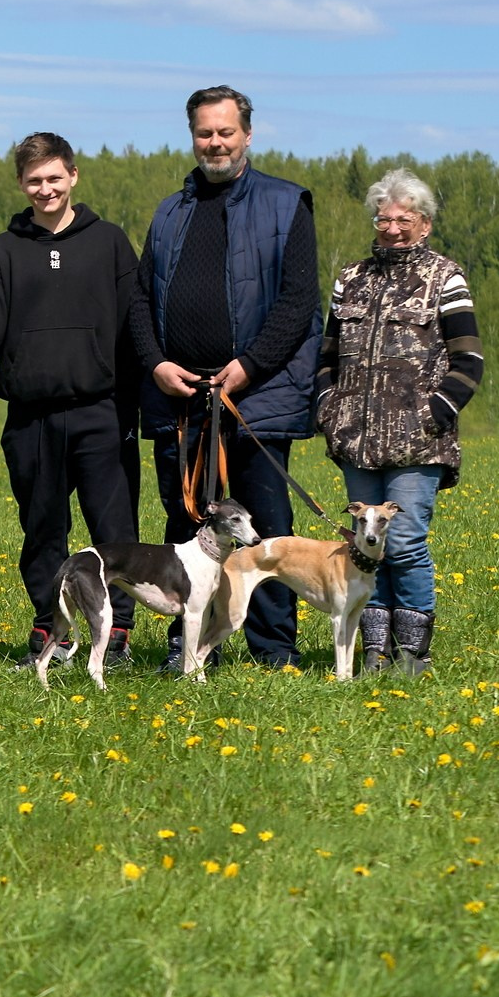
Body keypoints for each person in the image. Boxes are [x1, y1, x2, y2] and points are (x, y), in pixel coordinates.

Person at [132, 86, 321, 670]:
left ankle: (273, 650)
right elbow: (139, 300)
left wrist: (248, 367)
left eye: (225, 132)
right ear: (192, 136)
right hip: (183, 403)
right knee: (188, 526)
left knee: (264, 531)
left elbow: (297, 303)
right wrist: (158, 364)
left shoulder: (287, 204)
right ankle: (190, 649)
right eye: (204, 133)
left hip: (256, 399)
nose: (215, 143)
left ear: (247, 134)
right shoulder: (171, 211)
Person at [0, 133, 145, 669]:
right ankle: (51, 629)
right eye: (34, 180)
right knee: (42, 529)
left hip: (103, 411)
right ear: (21, 184)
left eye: (54, 177)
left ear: (73, 176)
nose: (45, 188)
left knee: (115, 532)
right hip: (31, 417)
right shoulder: (6, 251)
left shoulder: (109, 242)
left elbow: (136, 323)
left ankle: (116, 633)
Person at [315, 168, 480, 674]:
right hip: (356, 441)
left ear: (424, 224)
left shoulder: (444, 276)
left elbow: (468, 359)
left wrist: (435, 414)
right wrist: (327, 405)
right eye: (383, 218)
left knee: (403, 545)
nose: (391, 228)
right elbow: (327, 354)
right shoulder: (351, 277)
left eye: (402, 219)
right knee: (365, 551)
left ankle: (413, 656)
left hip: (419, 445)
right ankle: (374, 654)